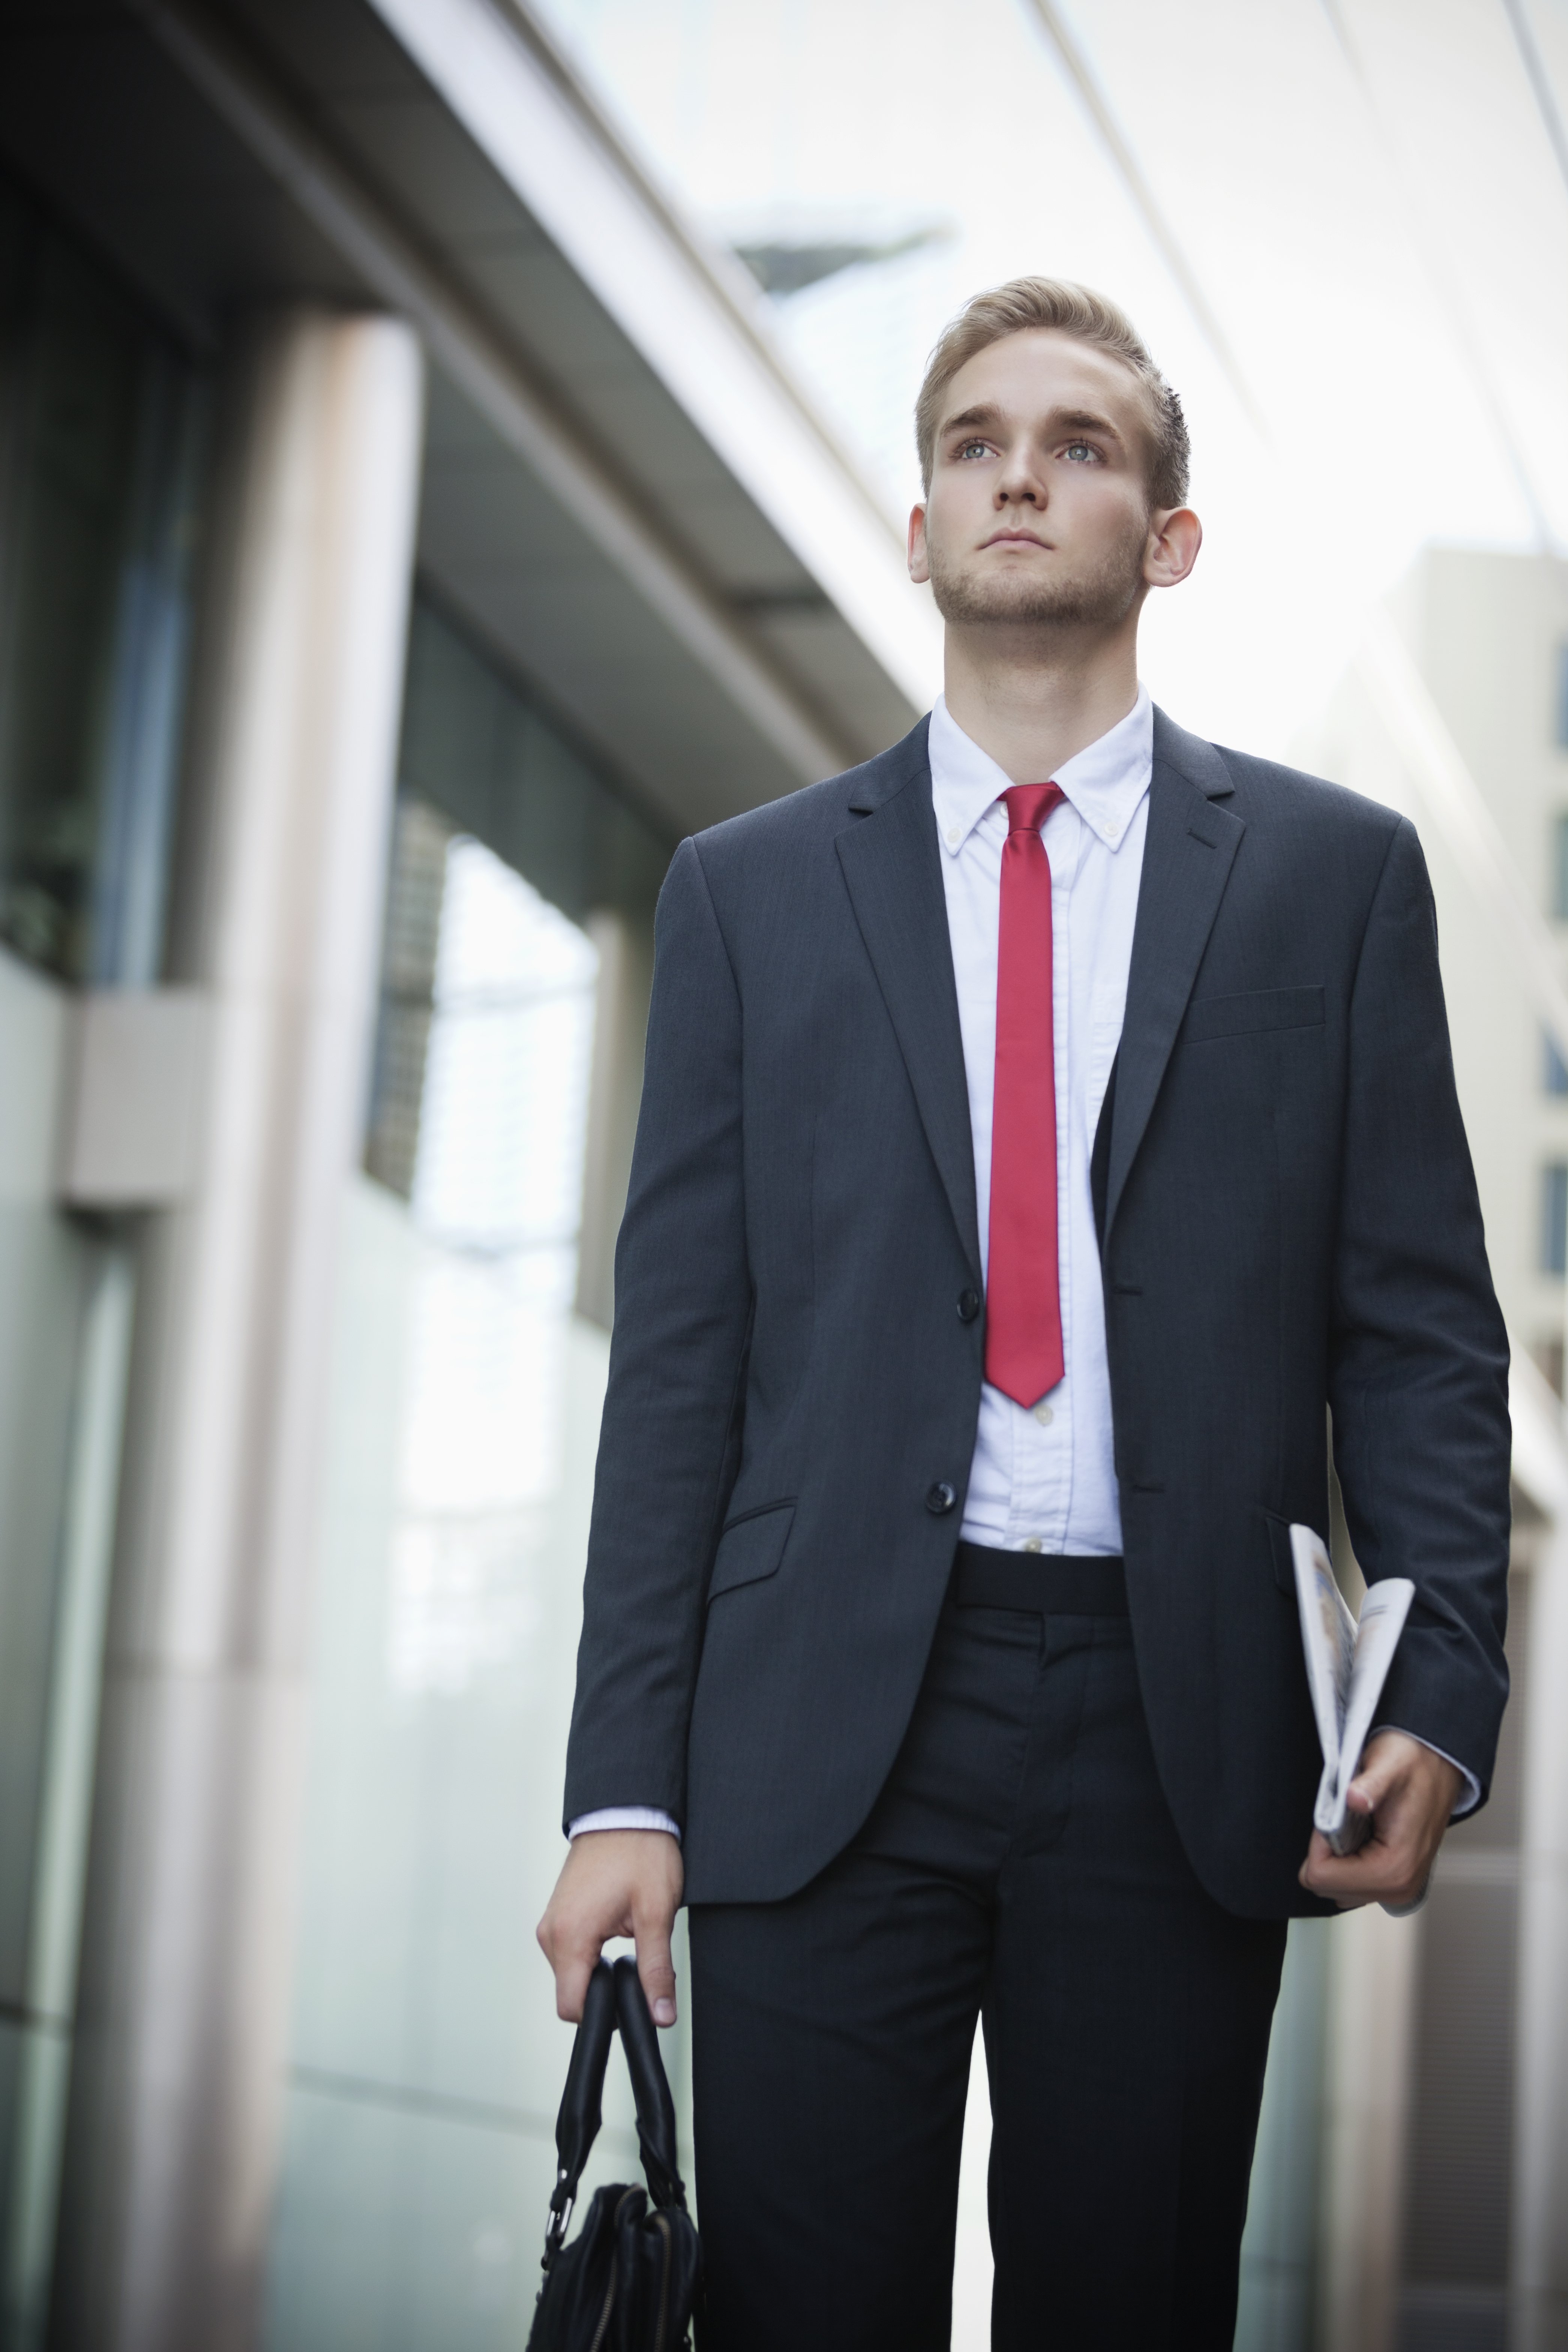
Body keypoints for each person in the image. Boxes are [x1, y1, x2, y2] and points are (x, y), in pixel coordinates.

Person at [537, 278, 1511, 2349]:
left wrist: (1436, 1692)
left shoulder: (1332, 882)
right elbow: (680, 1371)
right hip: (819, 1727)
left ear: (1163, 540)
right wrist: (624, 1791)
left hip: (1178, 1727)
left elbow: (1415, 1325)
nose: (1015, 472)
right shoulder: (748, 893)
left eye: (1076, 444)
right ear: (916, 522)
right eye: (974, 439)